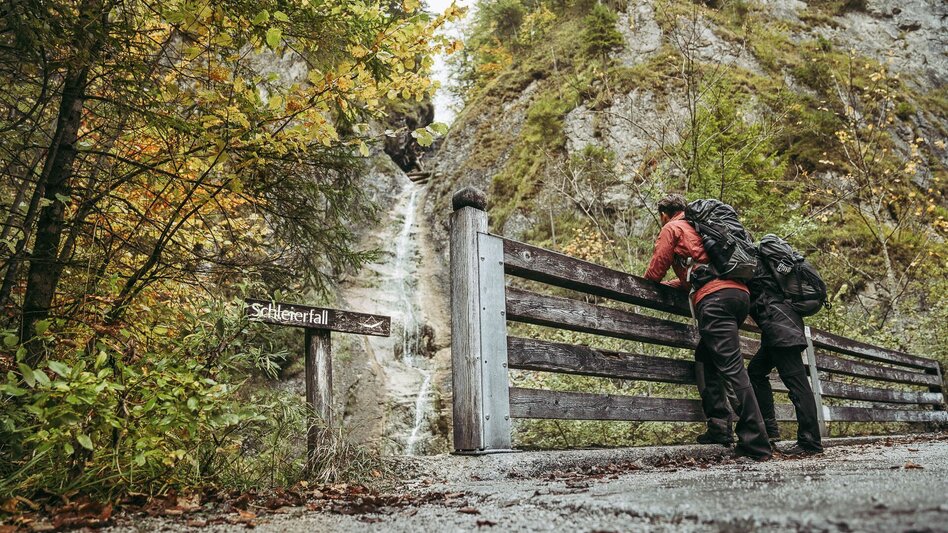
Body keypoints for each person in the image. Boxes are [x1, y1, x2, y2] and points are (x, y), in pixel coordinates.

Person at [644, 193, 772, 460]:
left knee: (732, 367)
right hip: (738, 295)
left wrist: (651, 283)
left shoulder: (673, 227)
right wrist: (680, 284)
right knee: (705, 358)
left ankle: (756, 442)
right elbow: (701, 271)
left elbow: (655, 271)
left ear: (664, 214)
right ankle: (718, 428)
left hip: (714, 300)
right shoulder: (703, 228)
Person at [747, 263, 824, 455]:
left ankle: (810, 442)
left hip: (780, 330)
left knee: (798, 386)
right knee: (756, 371)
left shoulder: (753, 269)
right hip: (782, 327)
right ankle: (771, 431)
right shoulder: (765, 271)